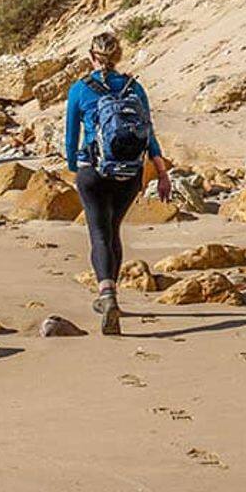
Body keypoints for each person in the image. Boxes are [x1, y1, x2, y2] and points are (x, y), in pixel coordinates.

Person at [65, 32, 171, 336]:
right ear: (119, 55)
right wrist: (161, 172)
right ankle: (113, 298)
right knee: (114, 231)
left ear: (91, 56)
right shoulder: (134, 88)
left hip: (94, 171)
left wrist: (76, 167)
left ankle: (106, 294)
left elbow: (71, 138)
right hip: (130, 173)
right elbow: (148, 133)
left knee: (99, 233)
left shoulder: (80, 89)